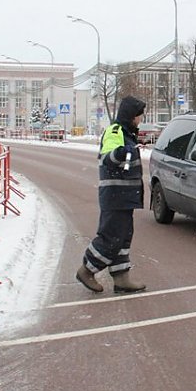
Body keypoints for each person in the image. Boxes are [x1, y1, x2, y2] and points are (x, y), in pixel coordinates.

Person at [76, 96, 148, 294]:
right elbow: (109, 157)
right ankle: (87, 270)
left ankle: (121, 278)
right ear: (131, 115)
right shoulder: (115, 131)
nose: (141, 119)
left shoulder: (127, 133)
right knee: (111, 237)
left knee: (123, 237)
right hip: (116, 194)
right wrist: (125, 151)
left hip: (124, 196)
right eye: (139, 115)